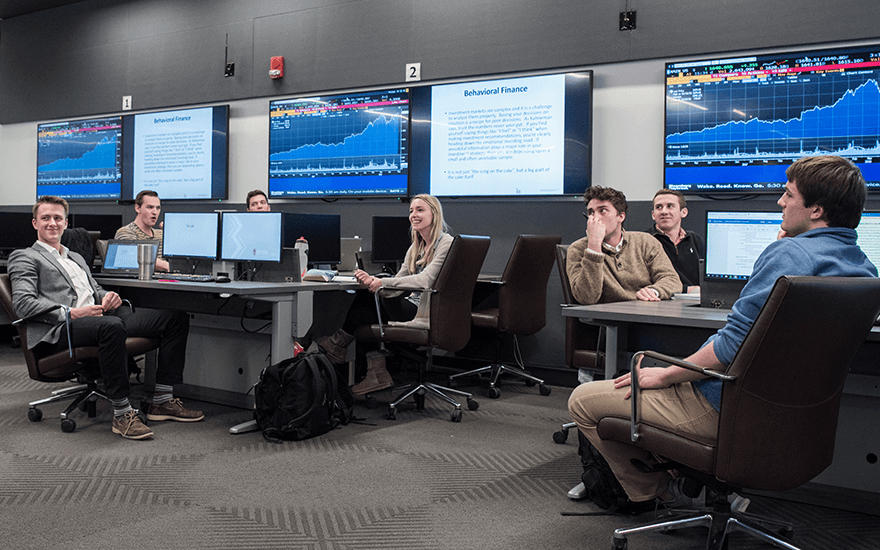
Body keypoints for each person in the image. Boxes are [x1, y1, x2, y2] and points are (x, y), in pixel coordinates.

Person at [567, 155, 878, 508]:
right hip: (795, 426)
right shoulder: (863, 269)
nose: (780, 201)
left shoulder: (789, 255)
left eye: (788, 195)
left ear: (817, 210)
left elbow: (729, 347)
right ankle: (680, 475)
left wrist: (667, 375)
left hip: (723, 409)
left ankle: (654, 491)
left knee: (583, 400)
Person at [8, 196, 204, 440]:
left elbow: (94, 289)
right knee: (111, 326)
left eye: (57, 218)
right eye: (45, 218)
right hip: (64, 326)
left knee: (173, 318)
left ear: (66, 223)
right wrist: (72, 312)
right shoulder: (25, 257)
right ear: (35, 223)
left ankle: (162, 401)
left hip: (98, 316)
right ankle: (122, 413)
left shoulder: (75, 257)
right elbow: (24, 304)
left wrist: (108, 295)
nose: (52, 223)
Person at [316, 194, 453, 396]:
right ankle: (372, 371)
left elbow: (425, 281)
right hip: (409, 304)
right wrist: (373, 281)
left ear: (434, 213)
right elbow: (399, 283)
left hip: (424, 310)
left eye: (420, 210)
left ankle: (341, 347)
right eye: (411, 211)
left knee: (368, 301)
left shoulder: (446, 243)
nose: (414, 215)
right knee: (368, 300)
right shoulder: (416, 247)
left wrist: (381, 282)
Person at [567, 186, 681, 306]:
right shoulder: (578, 249)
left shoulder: (646, 241)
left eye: (602, 210)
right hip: (611, 318)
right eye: (591, 212)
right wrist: (594, 247)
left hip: (648, 311)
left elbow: (672, 280)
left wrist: (654, 291)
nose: (595, 218)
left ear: (621, 216)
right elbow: (586, 298)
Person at [646, 189, 704, 293]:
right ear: (653, 215)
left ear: (683, 212)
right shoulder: (645, 240)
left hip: (695, 301)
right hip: (661, 301)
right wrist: (687, 290)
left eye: (670, 206)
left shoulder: (695, 240)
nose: (664, 211)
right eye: (659, 207)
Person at [114, 190, 169, 272]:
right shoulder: (126, 232)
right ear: (137, 208)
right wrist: (168, 266)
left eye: (158, 208)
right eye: (150, 207)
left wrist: (171, 236)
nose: (155, 212)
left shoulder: (161, 233)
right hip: (142, 282)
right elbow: (136, 258)